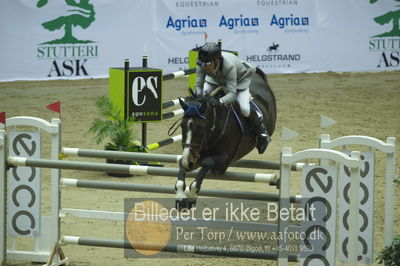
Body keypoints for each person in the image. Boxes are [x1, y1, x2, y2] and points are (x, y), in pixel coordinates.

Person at [194, 42, 270, 154]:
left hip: (239, 81)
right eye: (202, 64)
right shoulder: (202, 64)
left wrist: (219, 101)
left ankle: (262, 132)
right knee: (201, 96)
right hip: (216, 79)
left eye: (207, 63)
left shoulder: (228, 65)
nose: (204, 67)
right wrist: (199, 98)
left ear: (216, 61)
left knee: (244, 109)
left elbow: (232, 94)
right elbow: (198, 85)